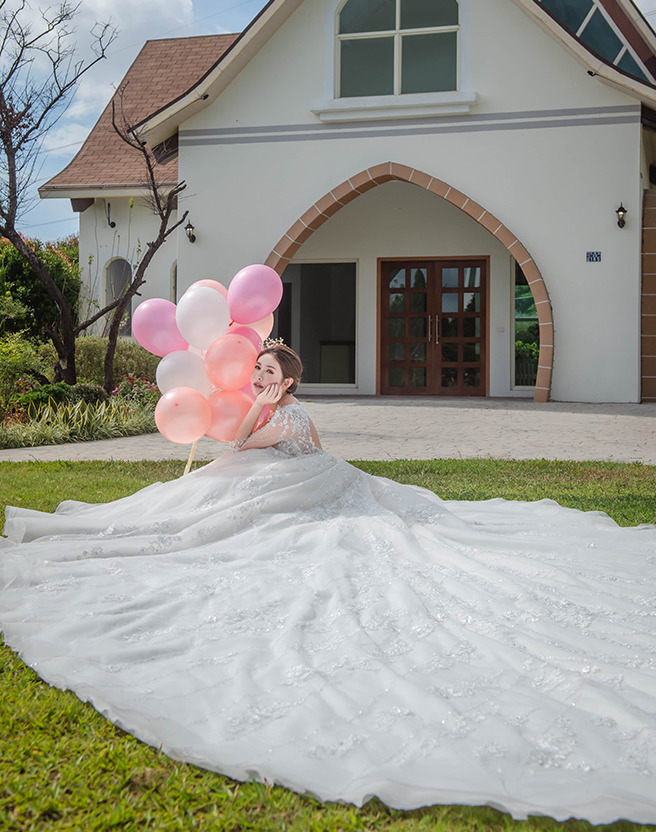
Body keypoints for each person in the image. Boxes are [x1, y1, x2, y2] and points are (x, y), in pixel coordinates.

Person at [1, 343, 655, 825]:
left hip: (310, 481)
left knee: (224, 500)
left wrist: (249, 414)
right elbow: (265, 442)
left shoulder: (280, 414)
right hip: (302, 466)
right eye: (258, 370)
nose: (261, 378)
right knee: (207, 492)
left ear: (287, 382)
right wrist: (249, 420)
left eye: (271, 374)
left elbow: (242, 447)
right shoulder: (285, 410)